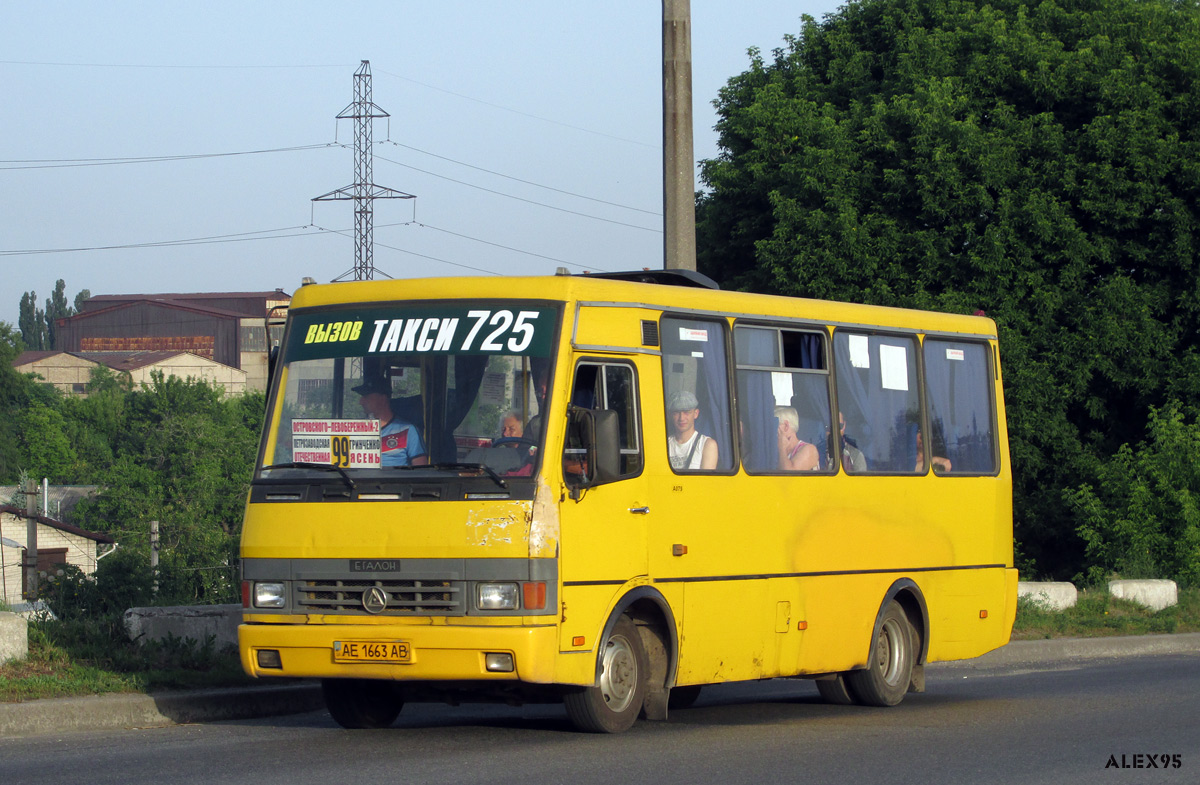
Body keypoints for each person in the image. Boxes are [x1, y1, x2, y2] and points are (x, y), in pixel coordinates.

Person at [352, 378, 428, 467]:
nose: (361, 402)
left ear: (383, 399)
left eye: (366, 397)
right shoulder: (356, 431)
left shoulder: (407, 430)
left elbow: (421, 470)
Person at [667, 390, 719, 470]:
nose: (682, 418)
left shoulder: (707, 445)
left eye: (687, 412)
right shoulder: (665, 444)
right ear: (670, 415)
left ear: (696, 414)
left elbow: (706, 480)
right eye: (676, 413)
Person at [775, 406, 819, 471]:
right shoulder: (775, 451)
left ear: (786, 426)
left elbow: (789, 475)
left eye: (775, 425)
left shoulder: (809, 449)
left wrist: (782, 448)